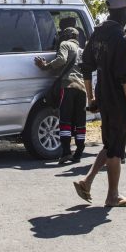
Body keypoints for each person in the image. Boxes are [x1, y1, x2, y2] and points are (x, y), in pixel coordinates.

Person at [73, 0, 126, 208]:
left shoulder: (98, 33)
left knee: (111, 143)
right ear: (125, 12)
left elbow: (86, 67)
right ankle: (112, 195)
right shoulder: (121, 38)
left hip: (103, 97)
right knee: (116, 149)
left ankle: (87, 181)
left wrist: (91, 98)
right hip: (118, 101)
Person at [34, 27, 86, 164]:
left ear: (66, 36)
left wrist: (45, 66)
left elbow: (61, 60)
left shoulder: (65, 44)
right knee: (80, 123)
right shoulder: (82, 51)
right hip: (82, 89)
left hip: (68, 86)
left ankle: (66, 152)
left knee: (65, 121)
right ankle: (79, 152)